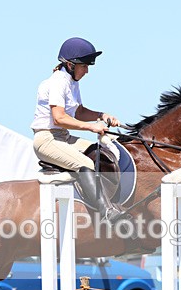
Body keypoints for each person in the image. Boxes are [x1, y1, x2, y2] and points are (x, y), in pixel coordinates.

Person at [31, 37, 126, 223]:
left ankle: (113, 201)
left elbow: (79, 112)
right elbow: (59, 118)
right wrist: (92, 127)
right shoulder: (58, 82)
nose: (87, 70)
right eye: (84, 66)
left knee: (103, 154)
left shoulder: (72, 82)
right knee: (86, 164)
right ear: (70, 64)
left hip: (63, 138)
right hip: (47, 140)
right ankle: (106, 212)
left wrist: (102, 115)